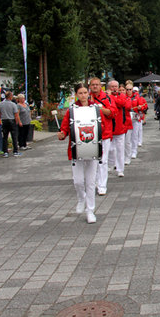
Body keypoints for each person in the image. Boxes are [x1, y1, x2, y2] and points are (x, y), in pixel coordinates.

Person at [57, 83, 101, 224]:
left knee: (90, 182)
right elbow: (65, 128)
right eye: (80, 93)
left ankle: (90, 211)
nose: (83, 95)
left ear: (88, 93)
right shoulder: (72, 110)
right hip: (77, 150)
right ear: (76, 94)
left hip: (93, 149)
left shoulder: (95, 108)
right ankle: (81, 198)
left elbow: (101, 126)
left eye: (85, 93)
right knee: (78, 181)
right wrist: (62, 133)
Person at [89, 77, 113, 196]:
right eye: (93, 85)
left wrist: (100, 108)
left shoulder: (107, 98)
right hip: (90, 134)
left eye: (97, 84)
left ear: (100, 86)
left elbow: (112, 113)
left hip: (105, 133)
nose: (95, 86)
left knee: (103, 161)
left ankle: (102, 185)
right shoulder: (86, 97)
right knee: (92, 161)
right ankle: (93, 183)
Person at [107, 80, 130, 177]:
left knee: (120, 149)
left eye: (115, 86)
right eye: (112, 86)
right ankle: (111, 164)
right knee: (110, 149)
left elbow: (122, 103)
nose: (114, 88)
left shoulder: (121, 95)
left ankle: (120, 169)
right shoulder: (105, 97)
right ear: (109, 88)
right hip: (110, 128)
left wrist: (111, 97)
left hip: (120, 127)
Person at [0, 91, 22, 158]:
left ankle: (5, 152)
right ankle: (15, 151)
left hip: (4, 121)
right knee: (14, 136)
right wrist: (17, 122)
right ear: (10, 97)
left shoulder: (1, 104)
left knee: (5, 137)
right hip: (12, 121)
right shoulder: (13, 104)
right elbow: (16, 115)